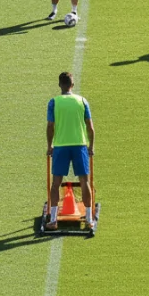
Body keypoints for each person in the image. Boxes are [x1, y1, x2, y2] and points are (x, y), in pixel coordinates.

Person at [44, 71, 96, 231]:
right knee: (85, 182)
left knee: (56, 183)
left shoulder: (54, 102)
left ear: (60, 85)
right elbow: (90, 127)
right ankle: (89, 219)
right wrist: (91, 146)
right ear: (72, 85)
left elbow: (50, 126)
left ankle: (53, 220)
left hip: (61, 146)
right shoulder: (82, 101)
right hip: (79, 145)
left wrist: (49, 146)